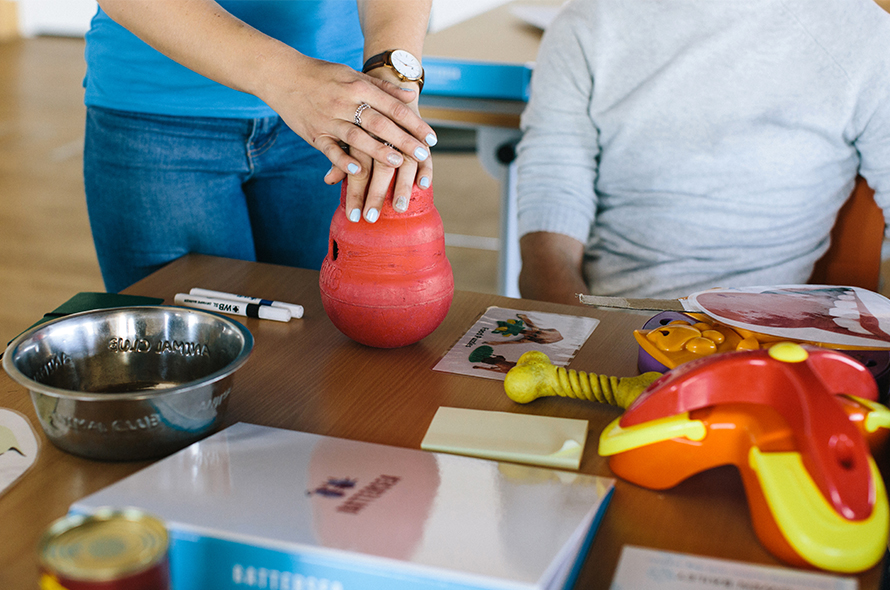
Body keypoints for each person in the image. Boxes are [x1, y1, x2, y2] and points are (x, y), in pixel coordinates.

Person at [515, 0, 890, 305]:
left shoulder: (864, 36)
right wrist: (573, 325)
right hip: (606, 316)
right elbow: (554, 184)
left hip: (768, 335)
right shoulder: (588, 22)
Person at [83, 0, 438, 293]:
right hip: (157, 113)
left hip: (337, 110)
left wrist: (391, 76)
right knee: (185, 361)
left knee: (318, 356)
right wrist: (290, 80)